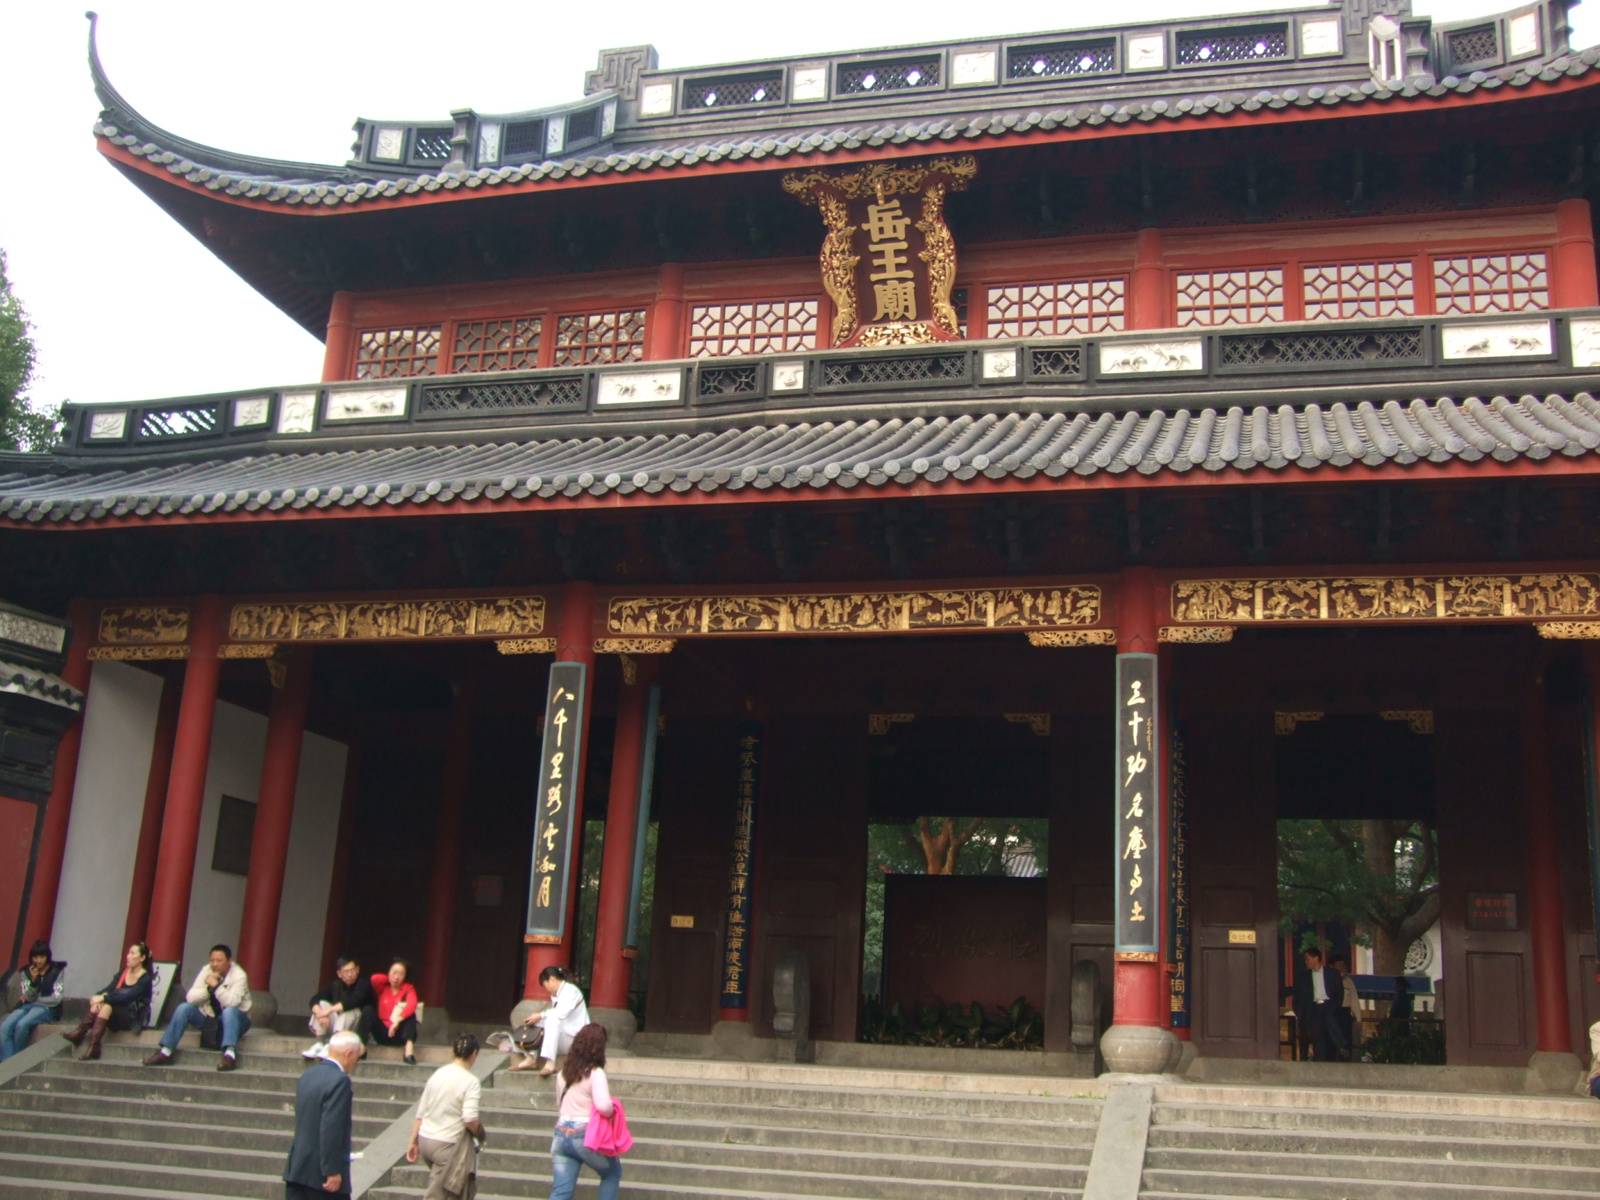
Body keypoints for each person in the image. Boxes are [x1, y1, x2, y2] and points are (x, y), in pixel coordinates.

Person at [143, 943, 252, 1071]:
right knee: (184, 1008)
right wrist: (208, 989)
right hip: (210, 1018)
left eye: (219, 961)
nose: (215, 964)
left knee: (229, 1011)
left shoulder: (239, 975)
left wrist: (216, 986)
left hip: (236, 1020)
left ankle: (229, 1055)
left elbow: (232, 1002)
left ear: (229, 961)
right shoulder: (207, 970)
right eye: (212, 960)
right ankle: (166, 1051)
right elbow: (190, 997)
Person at [407, 1032, 486, 1200]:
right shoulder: (470, 1081)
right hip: (447, 1143)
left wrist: (413, 1141)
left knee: (442, 1191)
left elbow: (421, 1111)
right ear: (474, 1054)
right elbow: (470, 1118)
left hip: (426, 1139)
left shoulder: (438, 1074)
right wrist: (479, 1131)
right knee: (440, 1195)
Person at [283, 1029, 361, 1199]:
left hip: (298, 1167)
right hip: (321, 1177)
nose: (357, 1062)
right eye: (357, 1057)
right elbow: (331, 1127)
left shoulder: (309, 1074)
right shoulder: (340, 1081)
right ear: (349, 1053)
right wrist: (332, 1170)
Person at [549, 1023, 622, 1200]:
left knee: (561, 1192)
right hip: (585, 1135)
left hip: (561, 1134)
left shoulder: (562, 1074)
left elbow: (560, 1104)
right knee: (612, 1173)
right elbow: (603, 1106)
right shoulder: (596, 1073)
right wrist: (613, 1109)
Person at [63, 941, 154, 1061]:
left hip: (134, 1016)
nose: (128, 956)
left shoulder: (145, 979)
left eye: (132, 953)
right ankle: (89, 1041)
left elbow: (128, 997)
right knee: (101, 1004)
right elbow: (110, 988)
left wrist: (104, 998)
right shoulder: (124, 972)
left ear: (142, 958)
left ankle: (85, 1038)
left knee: (106, 1004)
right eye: (128, 953)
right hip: (116, 1013)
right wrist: (97, 996)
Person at [514, 965, 589, 1076]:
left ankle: (550, 1063)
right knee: (537, 1021)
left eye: (545, 985)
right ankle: (531, 1058)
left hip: (577, 1040)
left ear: (552, 979)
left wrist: (540, 1015)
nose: (546, 989)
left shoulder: (571, 991)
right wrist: (538, 1018)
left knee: (551, 1019)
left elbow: (561, 1013)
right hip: (565, 1036)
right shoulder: (557, 994)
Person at [0, 940, 66, 1061]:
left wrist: (35, 1001)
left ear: (47, 957)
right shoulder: (26, 972)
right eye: (35, 957)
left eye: (42, 957)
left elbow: (57, 998)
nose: (38, 961)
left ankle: (16, 1060)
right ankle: (7, 1061)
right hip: (26, 1006)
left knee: (22, 1025)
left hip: (47, 1008)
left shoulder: (57, 972)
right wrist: (34, 981)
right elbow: (27, 996)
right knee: (5, 1026)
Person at [305, 956, 376, 1060]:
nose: (350, 974)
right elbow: (315, 999)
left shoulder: (363, 984)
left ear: (357, 970)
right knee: (322, 1004)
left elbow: (352, 1001)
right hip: (336, 1025)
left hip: (354, 1026)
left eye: (352, 970)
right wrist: (320, 1013)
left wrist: (328, 1011)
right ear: (339, 974)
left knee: (347, 1011)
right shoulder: (336, 985)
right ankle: (319, 1043)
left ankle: (333, 1045)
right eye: (346, 971)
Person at [1293, 947, 1341, 1062]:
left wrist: (1333, 1008)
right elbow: (1298, 996)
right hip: (1312, 1009)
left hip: (1328, 1007)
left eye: (1308, 959)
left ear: (1316, 958)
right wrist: (1299, 1013)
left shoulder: (1332, 974)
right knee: (1315, 1037)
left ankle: (1336, 1053)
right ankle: (1316, 1059)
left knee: (1329, 1037)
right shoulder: (1303, 977)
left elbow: (1339, 993)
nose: (1306, 962)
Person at [370, 958, 420, 1064]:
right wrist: (390, 978)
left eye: (401, 974)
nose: (397, 977)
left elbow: (412, 1004)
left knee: (411, 1015)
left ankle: (408, 1052)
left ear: (405, 976)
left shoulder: (408, 988)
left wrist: (397, 1021)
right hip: (382, 1033)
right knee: (368, 1011)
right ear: (388, 972)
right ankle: (361, 1047)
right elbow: (374, 978)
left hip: (400, 1034)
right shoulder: (383, 987)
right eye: (394, 972)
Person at [1330, 954, 1361, 1062]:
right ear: (1332, 966)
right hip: (1332, 1014)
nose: (1341, 967)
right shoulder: (1328, 980)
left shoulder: (1348, 981)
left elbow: (1354, 1000)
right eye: (1338, 965)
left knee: (1346, 1042)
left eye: (1343, 965)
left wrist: (1358, 1018)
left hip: (1344, 1014)